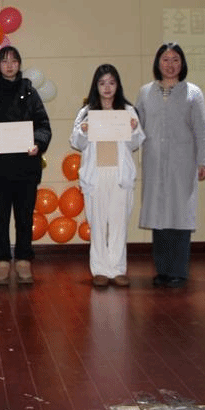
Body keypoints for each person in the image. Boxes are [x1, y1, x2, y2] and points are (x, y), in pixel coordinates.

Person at [0, 46, 51, 284]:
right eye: (4, 61)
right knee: (0, 217)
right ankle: (2, 260)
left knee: (24, 218)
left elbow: (43, 125)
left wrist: (38, 143)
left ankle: (24, 259)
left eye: (14, 61)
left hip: (26, 167)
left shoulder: (30, 92)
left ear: (19, 64)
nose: (9, 65)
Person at [136, 43, 205, 288]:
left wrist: (204, 161)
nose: (170, 65)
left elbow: (202, 130)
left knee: (180, 217)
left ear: (182, 63)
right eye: (165, 59)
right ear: (158, 63)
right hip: (154, 162)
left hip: (183, 163)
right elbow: (136, 127)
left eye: (175, 59)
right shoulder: (145, 92)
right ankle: (163, 270)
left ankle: (178, 271)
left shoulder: (193, 93)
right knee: (159, 217)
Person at [69, 64, 144, 288]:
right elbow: (76, 142)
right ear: (96, 86)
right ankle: (100, 270)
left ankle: (118, 269)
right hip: (96, 175)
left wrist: (133, 128)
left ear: (118, 85)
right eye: (102, 83)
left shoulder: (128, 111)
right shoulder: (86, 112)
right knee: (98, 225)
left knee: (119, 224)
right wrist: (83, 130)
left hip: (119, 175)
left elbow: (136, 142)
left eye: (111, 82)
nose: (107, 87)